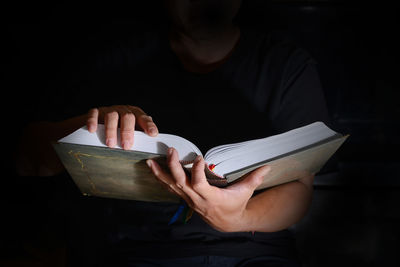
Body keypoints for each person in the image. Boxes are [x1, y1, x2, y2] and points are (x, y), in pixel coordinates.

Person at [17, 0, 330, 266]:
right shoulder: (112, 58)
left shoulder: (286, 65)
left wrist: (239, 217)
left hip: (254, 254)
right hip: (134, 252)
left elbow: (300, 189)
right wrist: (86, 128)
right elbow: (26, 158)